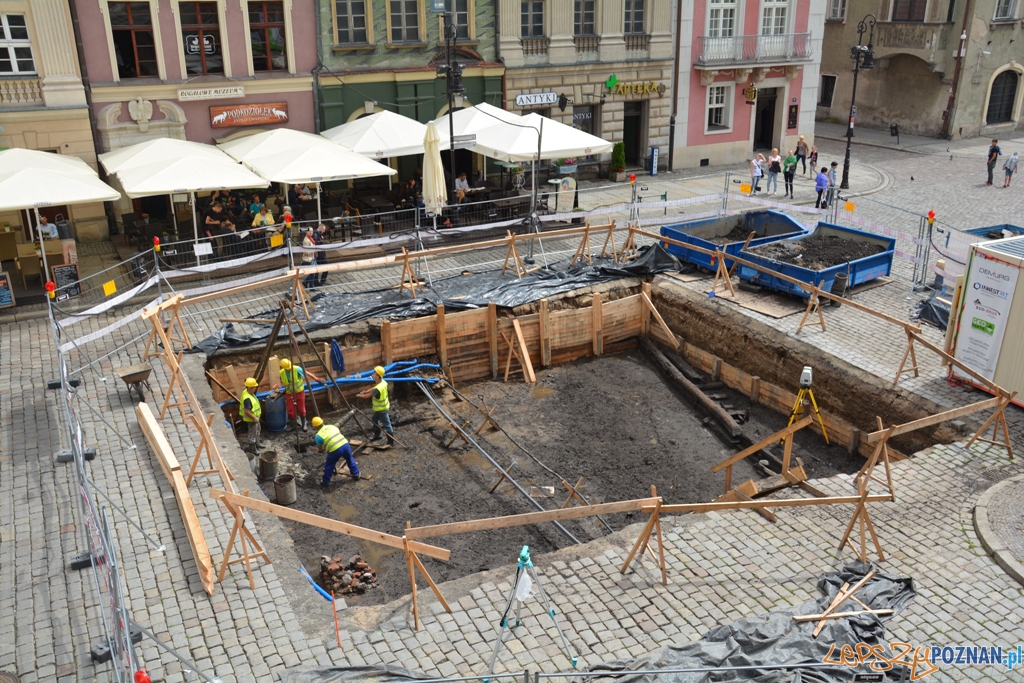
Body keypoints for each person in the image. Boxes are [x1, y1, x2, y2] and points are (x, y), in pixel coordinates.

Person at [273, 358, 320, 431]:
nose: (289, 370)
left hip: (299, 393)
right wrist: (277, 389)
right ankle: (293, 425)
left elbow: (307, 373)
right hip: (289, 393)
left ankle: (304, 424)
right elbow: (285, 383)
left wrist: (316, 379)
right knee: (291, 410)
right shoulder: (282, 372)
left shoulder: (297, 369)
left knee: (301, 409)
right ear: (284, 368)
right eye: (287, 369)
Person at [313, 416, 359, 484]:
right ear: (322, 422)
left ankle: (325, 481)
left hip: (335, 450)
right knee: (350, 459)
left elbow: (320, 448)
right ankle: (356, 475)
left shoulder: (318, 436)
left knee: (330, 465)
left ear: (315, 427)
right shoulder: (332, 426)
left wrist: (322, 450)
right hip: (345, 444)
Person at [357, 366, 394, 446]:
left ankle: (390, 442)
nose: (373, 375)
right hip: (380, 408)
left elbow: (368, 396)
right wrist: (365, 391)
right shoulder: (382, 382)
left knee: (387, 425)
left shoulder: (378, 389)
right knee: (374, 420)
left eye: (374, 373)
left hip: (382, 409)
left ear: (377, 376)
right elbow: (374, 388)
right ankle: (377, 435)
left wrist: (360, 396)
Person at [239, 378, 262, 453]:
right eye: (254, 387)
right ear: (251, 388)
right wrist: (254, 418)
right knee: (252, 434)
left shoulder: (248, 392)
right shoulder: (247, 398)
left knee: (258, 430)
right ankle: (253, 449)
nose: (255, 388)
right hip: (251, 420)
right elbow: (246, 411)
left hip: (256, 418)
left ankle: (258, 444)